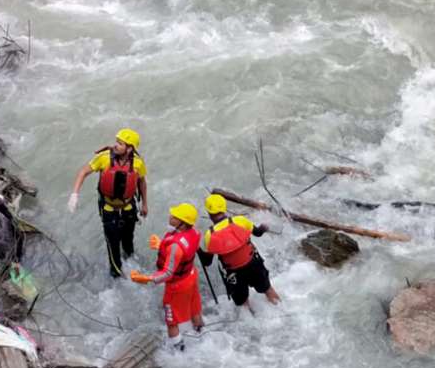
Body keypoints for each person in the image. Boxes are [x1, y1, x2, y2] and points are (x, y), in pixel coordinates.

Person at [68, 128, 149, 277]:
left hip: (128, 207)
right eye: (116, 142)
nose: (116, 145)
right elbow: (83, 172)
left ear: (130, 148)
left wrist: (144, 204)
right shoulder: (104, 158)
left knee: (128, 241)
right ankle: (116, 275)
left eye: (120, 143)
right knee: (113, 244)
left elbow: (142, 182)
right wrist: (75, 194)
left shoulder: (138, 162)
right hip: (108, 208)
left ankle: (131, 262)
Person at [131, 203, 204, 351]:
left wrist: (147, 279)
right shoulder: (193, 232)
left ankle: (178, 351)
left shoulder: (175, 247)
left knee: (171, 321)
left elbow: (167, 273)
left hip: (177, 286)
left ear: (182, 224)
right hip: (190, 276)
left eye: (175, 217)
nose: (170, 217)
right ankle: (201, 333)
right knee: (194, 308)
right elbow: (185, 252)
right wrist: (161, 245)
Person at [198, 193, 281, 311]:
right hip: (253, 264)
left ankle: (251, 323)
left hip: (234, 273)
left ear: (209, 213)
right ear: (224, 208)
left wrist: (198, 249)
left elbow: (207, 262)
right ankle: (281, 308)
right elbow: (257, 233)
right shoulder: (240, 220)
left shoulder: (209, 235)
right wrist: (263, 227)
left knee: (243, 303)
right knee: (267, 289)